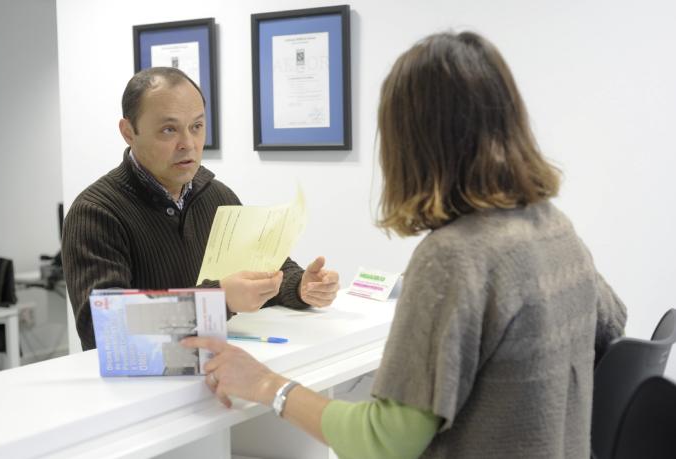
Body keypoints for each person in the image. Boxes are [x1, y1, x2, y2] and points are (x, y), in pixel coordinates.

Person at [181, 31, 627, 458]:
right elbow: (612, 325)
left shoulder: (455, 256)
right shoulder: (554, 226)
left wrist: (264, 385)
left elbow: (381, 441)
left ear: (410, 142)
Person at [62, 67, 340, 351]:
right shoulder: (95, 213)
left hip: (217, 377)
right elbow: (104, 327)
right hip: (141, 391)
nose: (188, 144)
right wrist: (218, 301)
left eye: (196, 126)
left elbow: (266, 268)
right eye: (168, 130)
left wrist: (302, 287)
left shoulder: (216, 196)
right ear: (128, 132)